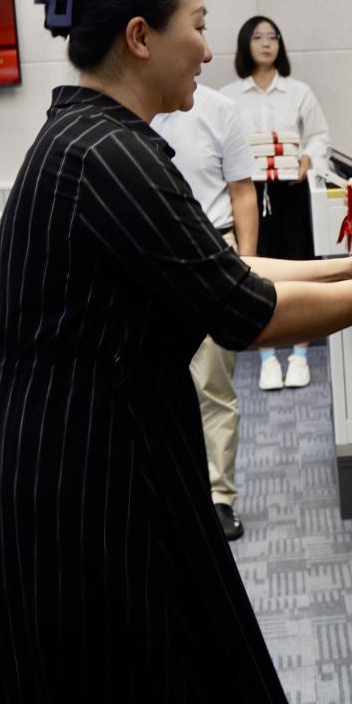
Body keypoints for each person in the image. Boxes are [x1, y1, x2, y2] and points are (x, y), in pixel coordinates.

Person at [0, 0, 352, 704]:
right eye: (196, 23)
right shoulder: (110, 155)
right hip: (92, 478)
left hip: (97, 452)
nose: (209, 46)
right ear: (140, 36)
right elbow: (244, 309)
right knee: (138, 692)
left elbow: (219, 270)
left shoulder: (93, 140)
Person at [152, 83, 259, 541]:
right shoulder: (127, 110)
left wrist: (248, 268)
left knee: (213, 383)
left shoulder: (220, 109)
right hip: (147, 251)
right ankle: (171, 492)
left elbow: (242, 192)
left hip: (214, 246)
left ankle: (219, 497)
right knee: (153, 382)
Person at [221, 15, 330, 392]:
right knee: (257, 269)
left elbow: (318, 136)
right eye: (258, 37)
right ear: (244, 44)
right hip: (249, 194)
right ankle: (267, 356)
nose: (267, 44)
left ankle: (300, 354)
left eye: (273, 37)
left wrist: (307, 160)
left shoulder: (298, 91)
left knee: (299, 265)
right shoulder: (229, 96)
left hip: (291, 192)